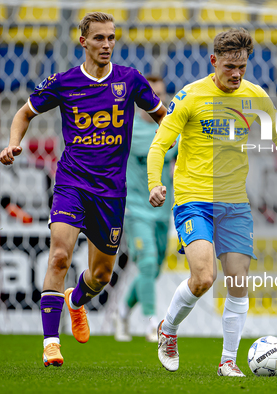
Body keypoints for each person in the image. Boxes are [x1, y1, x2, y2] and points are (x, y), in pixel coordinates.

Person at [0, 12, 166, 367]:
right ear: (83, 42)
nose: (106, 45)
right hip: (72, 182)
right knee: (59, 256)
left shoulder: (130, 80)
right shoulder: (64, 82)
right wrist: (13, 144)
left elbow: (165, 117)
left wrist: (174, 147)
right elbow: (24, 113)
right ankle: (50, 343)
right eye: (99, 38)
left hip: (111, 193)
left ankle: (76, 301)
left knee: (102, 275)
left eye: (111, 38)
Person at [147, 28, 277, 376]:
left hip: (235, 203)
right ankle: (168, 329)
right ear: (214, 61)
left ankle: (228, 361)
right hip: (194, 199)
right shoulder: (191, 97)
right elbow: (158, 145)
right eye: (229, 66)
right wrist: (155, 183)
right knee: (204, 278)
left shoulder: (256, 96)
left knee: (238, 280)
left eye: (242, 65)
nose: (236, 73)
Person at [115, 75, 177, 343]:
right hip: (136, 209)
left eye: (160, 94)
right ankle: (153, 324)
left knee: (153, 269)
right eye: (150, 94)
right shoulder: (127, 131)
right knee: (148, 262)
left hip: (164, 211)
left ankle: (122, 312)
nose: (155, 100)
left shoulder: (170, 129)